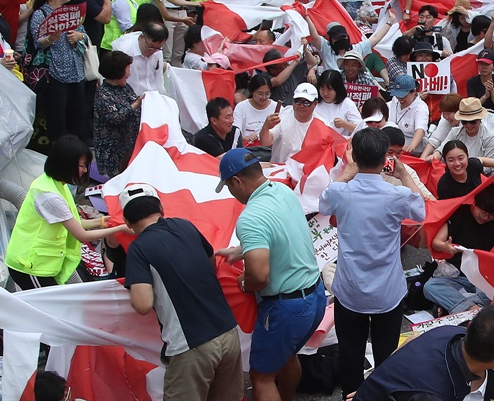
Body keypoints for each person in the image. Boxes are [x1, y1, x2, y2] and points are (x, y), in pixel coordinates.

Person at [320, 128, 426, 397]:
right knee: (386, 355)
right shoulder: (396, 195)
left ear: (354, 155)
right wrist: (402, 174)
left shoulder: (340, 192)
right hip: (387, 291)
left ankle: (351, 395)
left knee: (350, 352)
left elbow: (323, 204)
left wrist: (347, 171)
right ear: (384, 160)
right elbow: (421, 210)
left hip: (349, 290)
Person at [214, 149, 325, 401]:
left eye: (229, 188)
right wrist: (243, 251)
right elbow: (282, 234)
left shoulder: (250, 217)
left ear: (237, 182)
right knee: (287, 357)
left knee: (261, 376)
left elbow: (259, 276)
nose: (232, 194)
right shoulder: (284, 192)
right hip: (315, 295)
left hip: (286, 308)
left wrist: (245, 281)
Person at [121, 184, 244, 401]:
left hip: (191, 346)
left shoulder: (139, 249)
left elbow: (142, 304)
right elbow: (210, 261)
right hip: (228, 332)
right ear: (160, 208)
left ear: (128, 222)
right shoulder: (185, 226)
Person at [5, 136, 128, 289]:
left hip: (46, 263)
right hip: (30, 265)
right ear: (65, 164)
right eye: (81, 166)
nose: (84, 171)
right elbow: (81, 235)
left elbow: (73, 222)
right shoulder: (49, 196)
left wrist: (103, 222)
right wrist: (121, 228)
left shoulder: (58, 185)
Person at [354, 305, 494, 400]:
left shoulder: (448, 331)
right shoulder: (433, 395)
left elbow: (409, 342)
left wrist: (378, 382)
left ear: (469, 326)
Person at [29, 0, 89, 141]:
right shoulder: (40, 14)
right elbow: (37, 42)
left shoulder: (71, 12)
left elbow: (83, 34)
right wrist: (50, 38)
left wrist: (79, 37)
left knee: (77, 116)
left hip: (75, 70)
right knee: (58, 117)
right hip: (54, 73)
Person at [425, 184, 494, 314]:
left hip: (485, 277)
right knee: (430, 287)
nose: (485, 218)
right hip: (460, 275)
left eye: (490, 216)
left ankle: (458, 305)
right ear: (474, 203)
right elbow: (436, 242)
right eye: (482, 213)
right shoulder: (459, 214)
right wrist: (445, 247)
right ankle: (473, 309)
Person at [93, 51, 142, 178]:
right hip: (112, 150)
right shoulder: (103, 94)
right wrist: (136, 105)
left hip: (129, 144)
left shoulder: (125, 88)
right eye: (127, 69)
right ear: (118, 72)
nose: (129, 72)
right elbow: (115, 118)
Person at [260, 82, 325, 163]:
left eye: (306, 103)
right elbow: (265, 142)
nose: (301, 106)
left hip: (306, 170)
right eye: (298, 101)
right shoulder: (282, 117)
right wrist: (266, 128)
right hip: (280, 168)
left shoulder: (322, 124)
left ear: (315, 104)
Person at [112, 22, 169, 95]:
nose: (153, 51)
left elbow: (159, 78)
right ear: (142, 37)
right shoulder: (124, 51)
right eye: (150, 47)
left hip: (152, 96)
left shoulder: (157, 50)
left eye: (158, 48)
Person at [388, 74, 430, 156]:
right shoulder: (395, 100)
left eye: (404, 95)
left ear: (414, 91)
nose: (400, 99)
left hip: (415, 151)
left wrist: (411, 147)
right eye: (398, 95)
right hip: (394, 147)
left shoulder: (421, 107)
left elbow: (420, 130)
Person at [233, 74, 280, 145]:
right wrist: (247, 138)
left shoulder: (277, 107)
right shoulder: (241, 107)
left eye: (267, 94)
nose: (264, 97)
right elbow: (236, 133)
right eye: (260, 94)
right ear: (252, 91)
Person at [315, 69, 361, 137]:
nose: (325, 93)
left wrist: (344, 124)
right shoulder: (314, 103)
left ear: (337, 89)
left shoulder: (347, 104)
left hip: (341, 144)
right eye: (322, 89)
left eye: (329, 89)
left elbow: (361, 129)